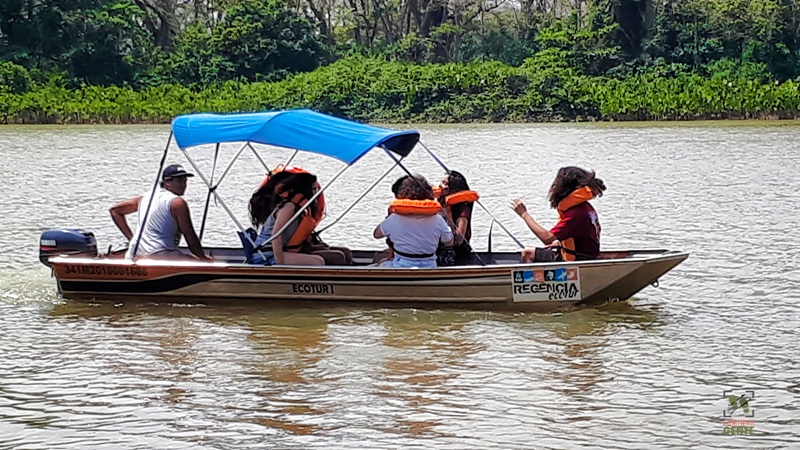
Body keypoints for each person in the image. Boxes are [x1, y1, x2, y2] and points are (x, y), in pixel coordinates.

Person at [110, 164, 211, 261]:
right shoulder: (177, 203)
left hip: (134, 254)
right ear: (167, 182)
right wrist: (203, 259)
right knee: (197, 259)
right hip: (160, 255)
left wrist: (133, 240)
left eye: (185, 181)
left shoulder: (145, 197)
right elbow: (190, 237)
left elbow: (115, 210)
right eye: (179, 181)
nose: (184, 185)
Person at [251, 168, 351, 265]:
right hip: (268, 254)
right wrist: (279, 264)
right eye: (313, 190)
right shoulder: (289, 207)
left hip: (286, 250)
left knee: (342, 254)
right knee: (317, 262)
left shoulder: (301, 209)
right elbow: (275, 235)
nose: (315, 194)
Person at [510, 166, 606, 262]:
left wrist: (524, 214)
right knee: (534, 251)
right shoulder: (586, 208)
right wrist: (560, 243)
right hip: (584, 255)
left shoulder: (576, 214)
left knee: (527, 253)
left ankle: (535, 277)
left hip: (578, 260)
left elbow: (547, 239)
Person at [374, 175, 454, 268]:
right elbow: (449, 241)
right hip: (430, 266)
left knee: (377, 263)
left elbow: (376, 234)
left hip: (400, 265)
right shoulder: (438, 219)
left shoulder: (394, 219)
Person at [438, 170, 480, 265]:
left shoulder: (463, 209)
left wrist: (447, 213)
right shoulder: (440, 202)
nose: (440, 186)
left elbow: (459, 241)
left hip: (456, 253)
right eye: (441, 182)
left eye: (445, 183)